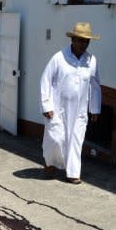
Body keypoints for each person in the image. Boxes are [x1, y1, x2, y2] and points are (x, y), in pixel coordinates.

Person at [40, 22, 101, 184]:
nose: (83, 44)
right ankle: (50, 163)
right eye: (80, 40)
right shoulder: (59, 58)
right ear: (72, 40)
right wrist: (47, 105)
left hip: (79, 109)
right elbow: (45, 80)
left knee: (76, 139)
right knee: (55, 137)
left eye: (86, 41)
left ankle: (72, 173)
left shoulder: (91, 60)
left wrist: (94, 108)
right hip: (58, 107)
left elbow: (94, 85)